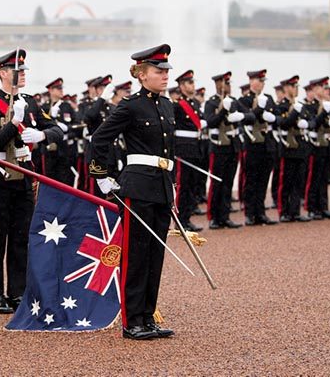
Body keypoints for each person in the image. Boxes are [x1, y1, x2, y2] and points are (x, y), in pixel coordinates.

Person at [89, 44, 176, 340]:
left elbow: (168, 151)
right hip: (137, 187)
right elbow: (99, 139)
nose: (164, 76)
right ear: (141, 75)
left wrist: (172, 187)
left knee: (155, 255)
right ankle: (132, 320)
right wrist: (103, 176)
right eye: (158, 71)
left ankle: (148, 315)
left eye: (166, 71)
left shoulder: (166, 105)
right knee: (136, 255)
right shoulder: (129, 105)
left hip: (161, 186)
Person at [0, 48, 62, 314]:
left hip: (25, 177)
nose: (23, 75)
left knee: (21, 237)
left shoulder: (32, 102)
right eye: (17, 71)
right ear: (3, 74)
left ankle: (18, 291)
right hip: (1, 176)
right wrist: (14, 123)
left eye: (24, 71)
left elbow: (57, 129)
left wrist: (41, 136)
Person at [204, 71, 254, 229]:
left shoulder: (233, 101)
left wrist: (240, 116)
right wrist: (223, 111)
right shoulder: (211, 103)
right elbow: (210, 122)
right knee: (216, 183)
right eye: (225, 83)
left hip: (233, 147)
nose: (228, 86)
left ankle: (225, 216)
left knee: (228, 182)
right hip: (218, 146)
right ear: (218, 85)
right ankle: (213, 217)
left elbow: (251, 116)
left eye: (229, 83)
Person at [237, 69, 279, 226]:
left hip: (267, 144)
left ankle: (260, 212)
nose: (261, 84)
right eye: (259, 81)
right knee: (251, 180)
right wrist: (259, 109)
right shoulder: (243, 100)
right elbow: (248, 118)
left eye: (263, 81)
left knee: (263, 180)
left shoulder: (268, 98)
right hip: (252, 144)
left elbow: (277, 115)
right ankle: (249, 213)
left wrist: (273, 117)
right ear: (251, 82)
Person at [172, 70, 206, 232]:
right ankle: (180, 221)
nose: (193, 85)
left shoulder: (195, 104)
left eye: (193, 82)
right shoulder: (177, 106)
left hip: (195, 148)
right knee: (183, 186)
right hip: (183, 151)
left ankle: (186, 218)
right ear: (182, 86)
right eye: (190, 83)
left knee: (192, 185)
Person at [276, 75, 313, 223]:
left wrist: (307, 123)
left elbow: (312, 121)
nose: (295, 89)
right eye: (293, 86)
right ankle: (284, 211)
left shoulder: (300, 105)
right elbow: (283, 124)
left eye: (296, 86)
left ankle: (295, 211)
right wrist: (295, 114)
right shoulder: (281, 106)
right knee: (286, 181)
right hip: (288, 148)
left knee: (298, 181)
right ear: (286, 89)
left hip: (301, 147)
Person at [303, 77, 330, 220]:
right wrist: (324, 112)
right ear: (315, 90)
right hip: (314, 146)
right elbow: (313, 124)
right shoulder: (309, 106)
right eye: (322, 88)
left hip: (326, 145)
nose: (324, 91)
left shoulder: (328, 106)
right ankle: (312, 207)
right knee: (313, 178)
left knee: (324, 178)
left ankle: (323, 207)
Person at [42, 77, 77, 186]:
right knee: (50, 179)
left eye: (61, 88)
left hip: (64, 150)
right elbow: (41, 126)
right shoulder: (45, 107)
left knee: (65, 179)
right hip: (49, 149)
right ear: (51, 90)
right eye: (58, 89)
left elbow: (77, 126)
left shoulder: (66, 106)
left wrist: (67, 130)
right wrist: (51, 116)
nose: (61, 91)